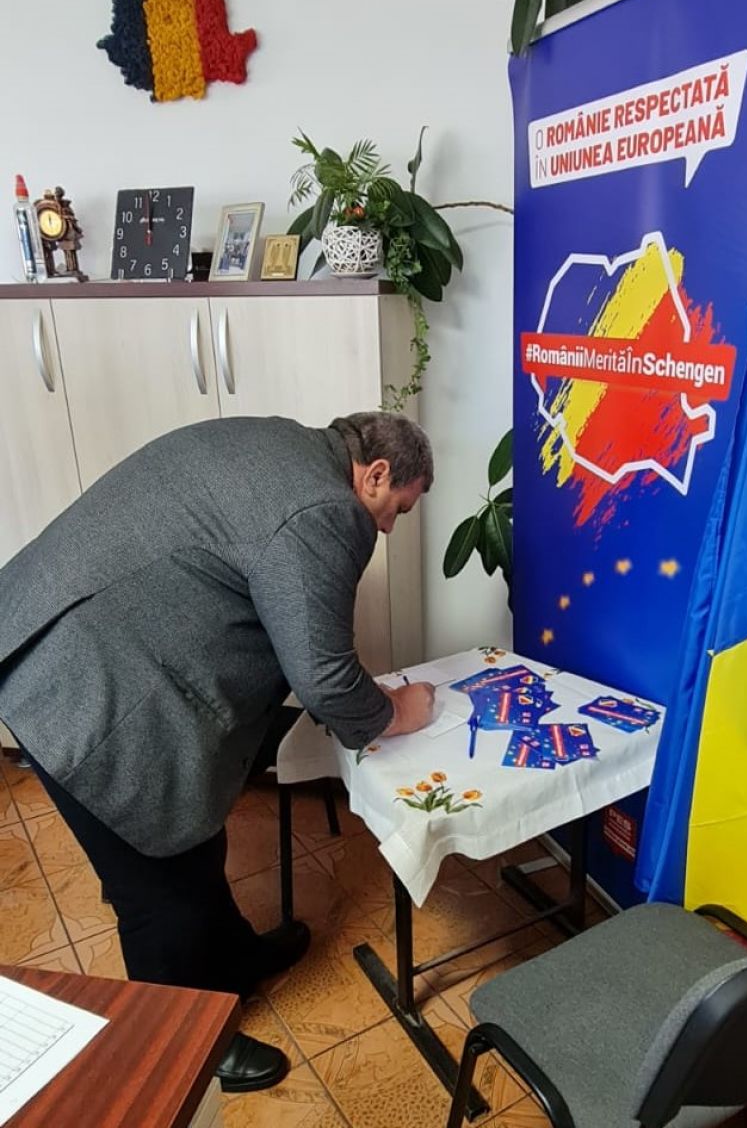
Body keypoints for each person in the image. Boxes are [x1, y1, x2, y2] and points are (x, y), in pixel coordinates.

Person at [0, 412, 436, 1092]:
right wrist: (399, 710)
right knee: (155, 891)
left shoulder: (284, 442)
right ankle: (176, 1048)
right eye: (397, 509)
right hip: (78, 684)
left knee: (194, 835)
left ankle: (233, 959)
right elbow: (324, 679)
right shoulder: (326, 509)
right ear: (375, 474)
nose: (387, 529)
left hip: (60, 627)